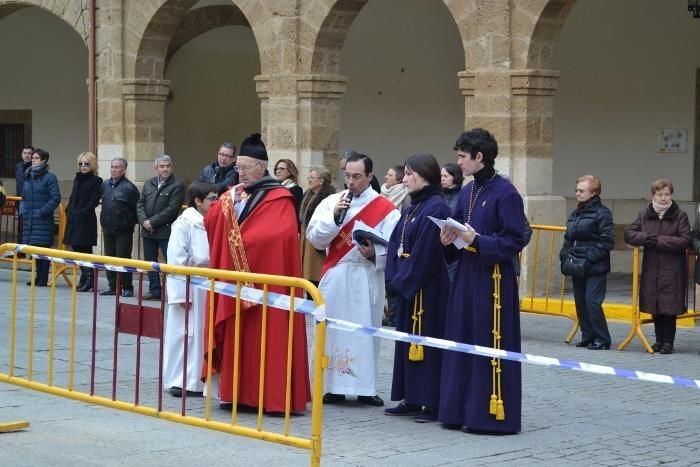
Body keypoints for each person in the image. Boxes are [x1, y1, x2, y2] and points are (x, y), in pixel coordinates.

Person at [202, 132, 311, 413]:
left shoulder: (281, 198)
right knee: (242, 343)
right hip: (238, 287)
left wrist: (242, 239)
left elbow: (280, 236)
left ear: (261, 167)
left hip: (270, 291)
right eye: (237, 168)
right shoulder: (236, 195)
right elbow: (212, 221)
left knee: (270, 344)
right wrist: (227, 206)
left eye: (245, 168)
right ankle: (237, 394)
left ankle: (272, 398)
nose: (239, 173)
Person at [438, 128, 525, 435]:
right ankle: (458, 410)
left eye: (463, 157)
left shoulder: (506, 192)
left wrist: (479, 240)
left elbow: (516, 238)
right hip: (466, 277)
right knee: (462, 338)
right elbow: (459, 229)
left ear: (479, 157)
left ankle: (490, 414)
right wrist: (448, 239)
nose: (458, 163)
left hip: (493, 281)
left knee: (487, 342)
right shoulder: (468, 191)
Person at [307, 152, 400, 407]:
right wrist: (335, 219)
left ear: (369, 176)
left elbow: (393, 248)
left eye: (357, 176)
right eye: (347, 176)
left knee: (365, 333)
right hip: (337, 273)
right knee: (333, 331)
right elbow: (315, 238)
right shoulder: (331, 202)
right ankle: (331, 386)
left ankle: (365, 387)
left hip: (366, 275)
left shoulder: (385, 208)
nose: (351, 182)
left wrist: (374, 254)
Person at [384, 153, 449, 423]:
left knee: (428, 342)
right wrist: (392, 276)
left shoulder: (437, 207)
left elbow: (426, 251)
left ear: (426, 175)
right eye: (405, 173)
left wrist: (402, 281)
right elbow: (394, 243)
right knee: (407, 340)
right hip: (409, 282)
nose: (405, 179)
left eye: (411, 174)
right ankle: (410, 396)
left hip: (429, 287)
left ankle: (431, 402)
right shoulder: (413, 207)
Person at [163, 181, 218, 397]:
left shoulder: (212, 221)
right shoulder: (184, 224)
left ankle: (199, 379)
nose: (216, 202)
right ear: (197, 200)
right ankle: (181, 380)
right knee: (186, 334)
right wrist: (179, 295)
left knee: (202, 334)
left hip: (207, 284)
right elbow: (176, 261)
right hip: (189, 284)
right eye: (212, 198)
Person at [624, 179, 691, 354]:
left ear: (671, 195)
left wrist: (658, 240)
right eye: (659, 194)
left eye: (667, 194)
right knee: (655, 305)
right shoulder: (644, 214)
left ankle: (668, 342)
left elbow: (685, 240)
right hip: (652, 268)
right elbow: (630, 234)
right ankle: (658, 340)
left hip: (672, 269)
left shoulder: (680, 215)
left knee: (669, 307)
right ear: (653, 195)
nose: (663, 198)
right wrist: (646, 238)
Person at [559, 174, 614, 350]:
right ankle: (587, 336)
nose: (577, 193)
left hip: (594, 265)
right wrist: (564, 254)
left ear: (594, 193)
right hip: (577, 264)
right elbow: (568, 237)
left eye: (582, 190)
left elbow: (607, 241)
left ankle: (602, 338)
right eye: (576, 190)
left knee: (592, 301)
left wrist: (588, 257)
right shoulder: (576, 213)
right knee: (580, 301)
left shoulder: (602, 213)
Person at [136, 155, 185, 301]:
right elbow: (140, 204)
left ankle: (174, 292)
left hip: (166, 231)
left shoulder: (177, 185)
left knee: (170, 262)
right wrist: (144, 221)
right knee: (150, 261)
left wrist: (152, 222)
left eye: (168, 166)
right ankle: (154, 290)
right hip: (148, 231)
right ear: (156, 168)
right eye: (162, 166)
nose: (165, 169)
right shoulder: (149, 183)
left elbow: (172, 209)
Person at [20, 148, 61, 287]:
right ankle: (38, 277)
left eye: (36, 158)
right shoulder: (28, 176)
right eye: (32, 157)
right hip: (29, 218)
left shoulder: (50, 177)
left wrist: (42, 212)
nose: (33, 159)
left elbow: (55, 197)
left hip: (42, 218)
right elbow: (24, 197)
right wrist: (23, 211)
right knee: (35, 250)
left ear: (43, 160)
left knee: (43, 248)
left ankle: (43, 278)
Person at [63, 152, 103, 292]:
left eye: (86, 163)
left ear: (92, 165)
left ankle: (89, 279)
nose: (83, 166)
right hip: (74, 219)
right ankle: (85, 278)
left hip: (85, 220)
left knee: (85, 250)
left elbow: (94, 201)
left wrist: (81, 213)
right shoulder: (77, 178)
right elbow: (74, 196)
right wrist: (68, 210)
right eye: (81, 164)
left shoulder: (96, 180)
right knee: (76, 249)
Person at [100, 157, 140, 297]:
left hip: (123, 230)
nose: (114, 170)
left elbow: (137, 209)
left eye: (117, 167)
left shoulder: (129, 188)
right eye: (112, 167)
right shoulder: (105, 185)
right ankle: (113, 286)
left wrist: (129, 223)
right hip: (108, 227)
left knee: (123, 258)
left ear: (123, 170)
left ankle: (127, 287)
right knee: (109, 258)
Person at [299, 166, 335, 287]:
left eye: (312, 178)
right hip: (306, 239)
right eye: (308, 177)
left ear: (321, 181)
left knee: (316, 273)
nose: (309, 180)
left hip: (317, 241)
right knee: (307, 274)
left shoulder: (328, 197)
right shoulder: (308, 194)